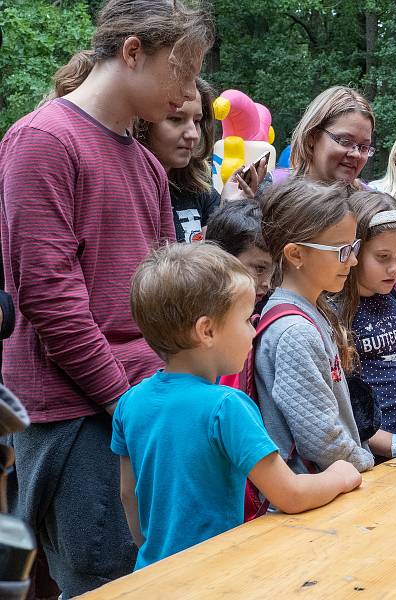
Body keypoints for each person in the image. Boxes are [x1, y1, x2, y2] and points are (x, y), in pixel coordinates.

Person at [0, 0, 213, 595]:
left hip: (142, 407)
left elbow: (168, 297)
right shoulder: (42, 139)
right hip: (75, 414)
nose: (187, 92)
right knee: (106, 586)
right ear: (132, 51)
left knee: (159, 575)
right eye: (182, 69)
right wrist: (128, 406)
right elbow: (51, 301)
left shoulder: (146, 164)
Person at [112, 243, 361, 570]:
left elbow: (129, 495)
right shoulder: (226, 407)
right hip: (218, 574)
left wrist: (153, 552)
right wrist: (342, 476)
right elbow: (290, 495)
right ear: (207, 331)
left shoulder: (129, 403)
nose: (254, 330)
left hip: (153, 573)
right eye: (245, 320)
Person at [255, 178, 375, 473]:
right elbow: (321, 439)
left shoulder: (313, 309)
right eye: (341, 250)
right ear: (296, 254)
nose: (354, 260)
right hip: (315, 496)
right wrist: (366, 463)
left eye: (354, 246)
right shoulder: (295, 333)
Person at [336, 191, 396, 457]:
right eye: (382, 257)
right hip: (374, 452)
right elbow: (341, 411)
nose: (394, 268)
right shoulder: (336, 312)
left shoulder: (393, 295)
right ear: (354, 251)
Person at [133, 77, 219, 243]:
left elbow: (216, 260)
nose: (193, 133)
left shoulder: (200, 188)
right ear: (143, 122)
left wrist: (231, 206)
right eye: (176, 119)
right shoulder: (128, 190)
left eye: (197, 121)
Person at [259, 86, 375, 191]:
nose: (356, 154)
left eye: (364, 147)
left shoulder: (372, 204)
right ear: (312, 137)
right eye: (345, 141)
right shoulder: (271, 188)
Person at [205, 200, 273, 308]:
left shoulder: (264, 307)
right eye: (259, 269)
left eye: (274, 271)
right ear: (223, 259)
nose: (268, 284)